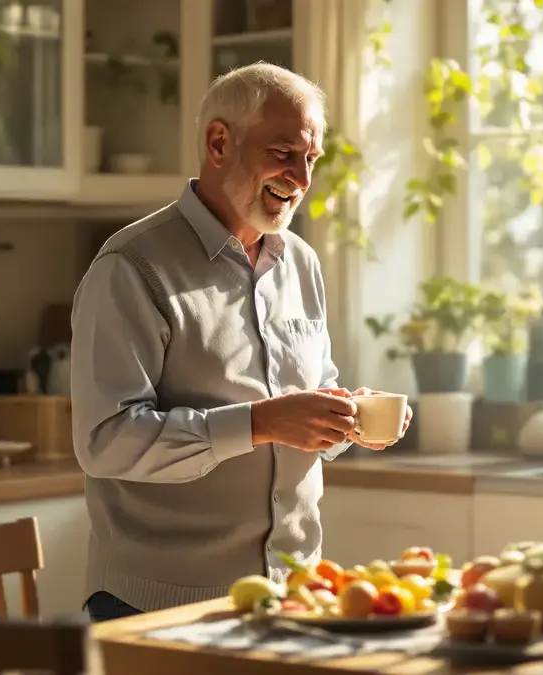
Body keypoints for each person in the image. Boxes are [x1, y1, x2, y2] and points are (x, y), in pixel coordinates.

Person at [70, 62, 413, 623]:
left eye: (311, 158)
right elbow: (105, 442)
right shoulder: (130, 268)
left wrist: (344, 417)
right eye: (283, 153)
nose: (301, 178)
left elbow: (310, 393)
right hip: (158, 603)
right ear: (218, 143)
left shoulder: (300, 263)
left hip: (295, 589)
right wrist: (260, 423)